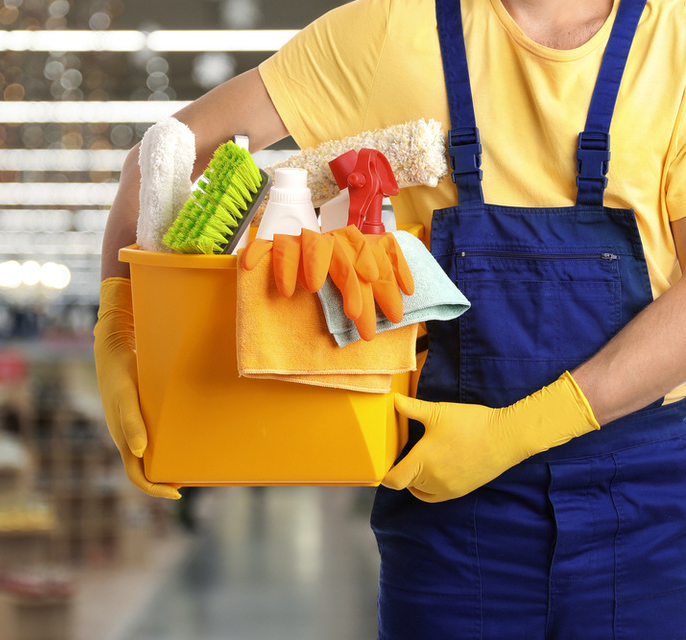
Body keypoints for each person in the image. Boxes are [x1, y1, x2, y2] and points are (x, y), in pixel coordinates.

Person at [94, 0, 686, 636]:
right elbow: (162, 157)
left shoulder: (674, 44)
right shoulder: (385, 30)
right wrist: (122, 326)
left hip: (648, 505)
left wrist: (521, 431)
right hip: (447, 504)